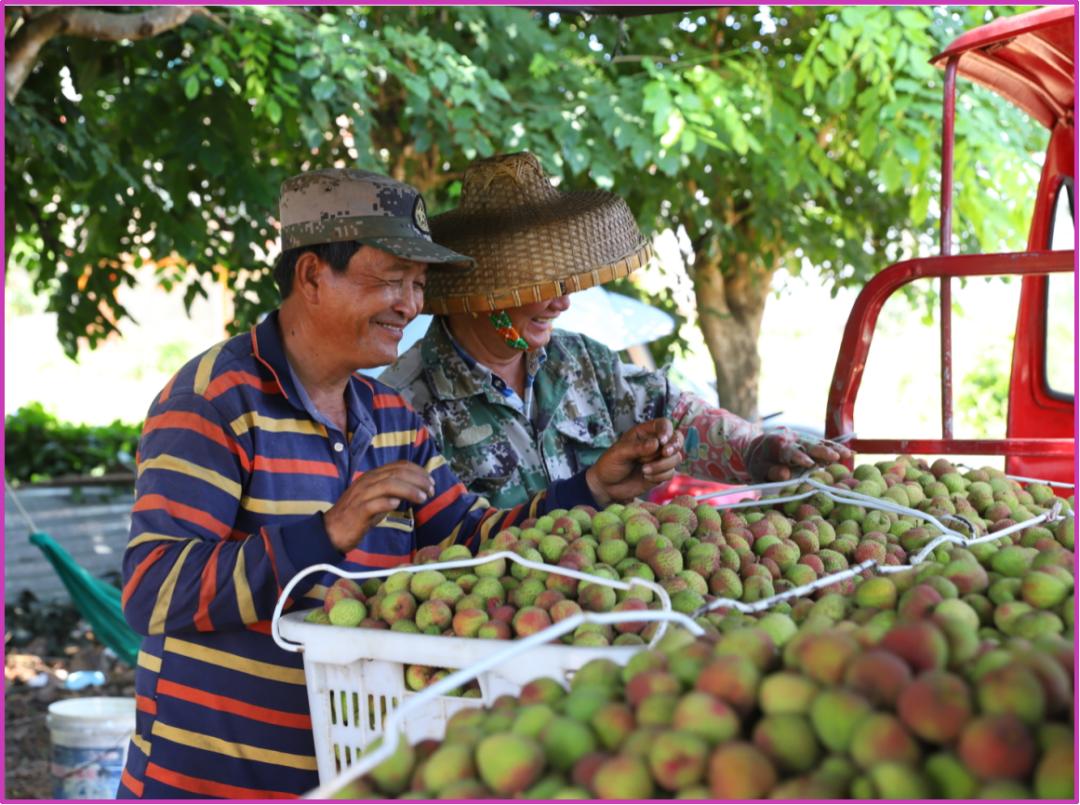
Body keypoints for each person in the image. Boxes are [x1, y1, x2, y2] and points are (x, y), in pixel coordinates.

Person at [117, 168, 683, 799]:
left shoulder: (391, 419)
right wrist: (328, 533)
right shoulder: (214, 402)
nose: (411, 306)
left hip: (353, 770)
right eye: (390, 281)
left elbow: (473, 538)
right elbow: (152, 592)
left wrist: (593, 488)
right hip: (213, 783)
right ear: (310, 277)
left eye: (417, 285)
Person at [382, 152, 852, 510]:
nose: (562, 301)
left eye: (565, 284)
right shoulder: (403, 407)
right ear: (481, 293)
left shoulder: (581, 363)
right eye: (540, 287)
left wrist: (754, 449)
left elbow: (677, 414)